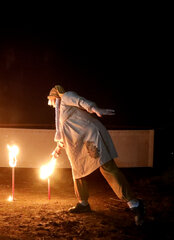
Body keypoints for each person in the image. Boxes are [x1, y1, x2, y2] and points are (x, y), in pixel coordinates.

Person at [47, 85, 145, 226]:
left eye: (51, 99)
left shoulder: (66, 97)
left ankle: (134, 204)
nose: (50, 103)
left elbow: (81, 101)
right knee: (77, 170)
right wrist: (56, 149)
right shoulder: (60, 113)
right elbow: (64, 133)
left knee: (106, 167)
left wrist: (94, 108)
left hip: (91, 136)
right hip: (77, 144)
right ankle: (83, 203)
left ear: (55, 97)